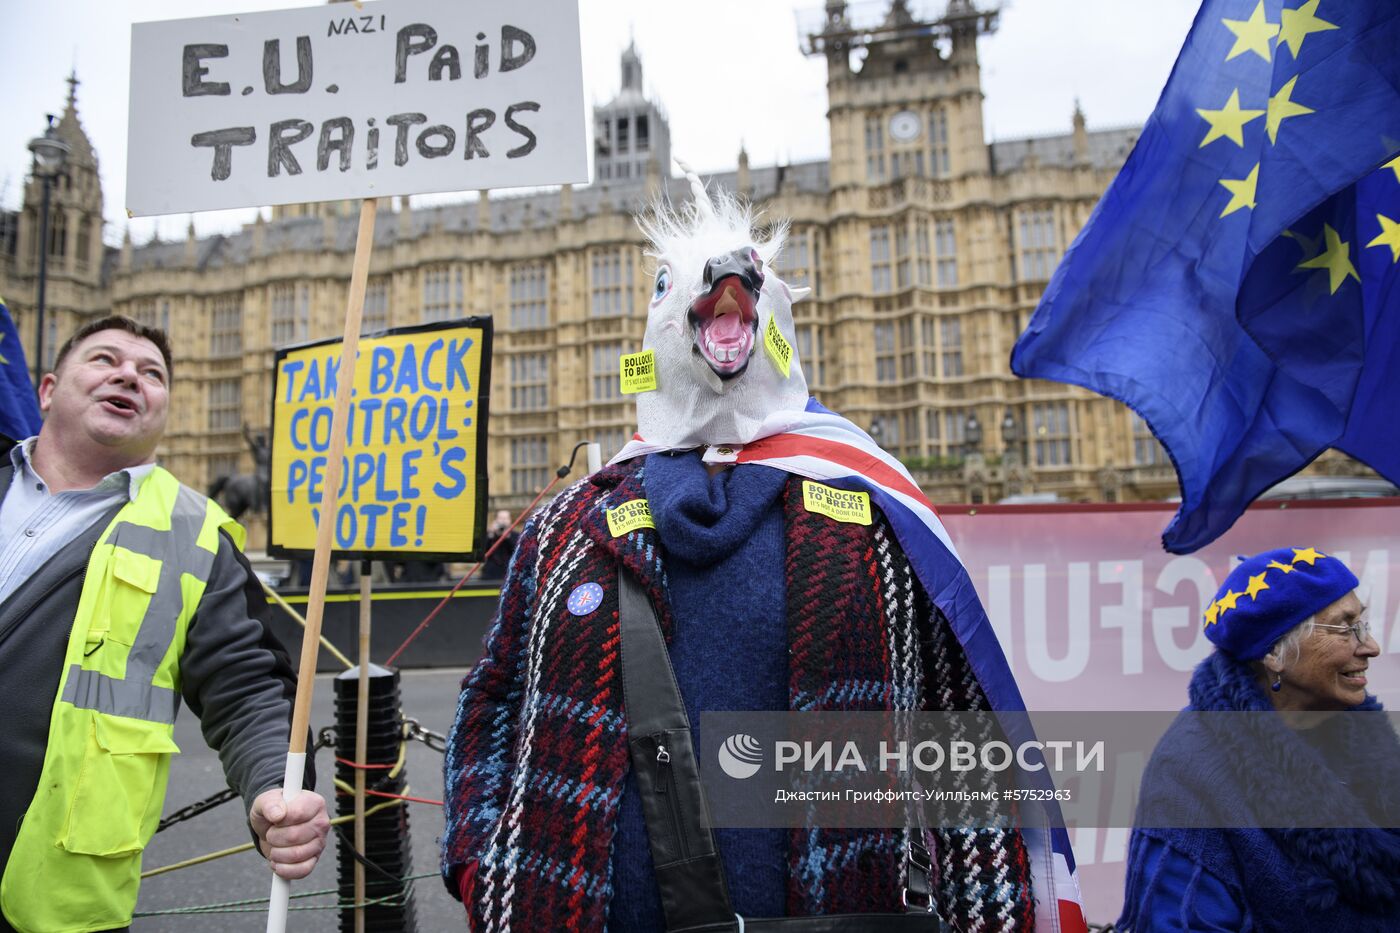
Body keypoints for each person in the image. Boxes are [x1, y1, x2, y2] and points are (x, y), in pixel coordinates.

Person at [443, 178, 1085, 930]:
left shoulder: (876, 522)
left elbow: (962, 743)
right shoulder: (567, 524)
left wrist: (991, 916)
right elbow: (490, 699)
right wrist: (482, 860)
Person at [0, 316, 330, 933]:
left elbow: (249, 685)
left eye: (152, 373)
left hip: (53, 897)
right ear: (46, 390)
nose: (129, 374)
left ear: (164, 411)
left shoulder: (194, 532)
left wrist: (272, 789)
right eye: (104, 360)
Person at [1119, 547, 1400, 932]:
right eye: (1344, 627)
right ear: (1273, 653)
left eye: (1362, 624)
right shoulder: (1189, 772)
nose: (1370, 647)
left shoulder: (1363, 743)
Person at [481, 508, 518, 580]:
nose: (503, 521)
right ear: (495, 520)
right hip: (491, 573)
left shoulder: (515, 535)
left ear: (510, 521)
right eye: (501, 518)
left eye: (506, 518)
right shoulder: (489, 534)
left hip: (509, 572)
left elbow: (517, 551)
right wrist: (491, 535)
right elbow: (482, 552)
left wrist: (508, 537)